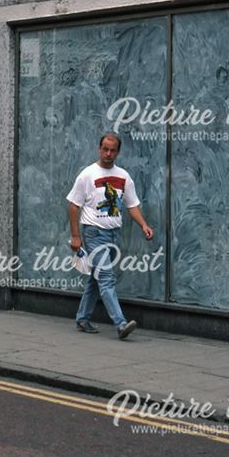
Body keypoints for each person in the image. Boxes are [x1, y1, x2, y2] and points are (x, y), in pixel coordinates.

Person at [68, 133, 154, 340]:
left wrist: (143, 225)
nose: (108, 153)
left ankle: (82, 318)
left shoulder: (124, 176)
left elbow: (131, 204)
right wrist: (75, 236)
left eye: (112, 150)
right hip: (93, 233)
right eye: (105, 149)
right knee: (106, 278)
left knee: (96, 279)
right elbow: (73, 205)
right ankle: (121, 324)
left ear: (118, 151)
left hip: (114, 235)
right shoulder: (87, 175)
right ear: (99, 148)